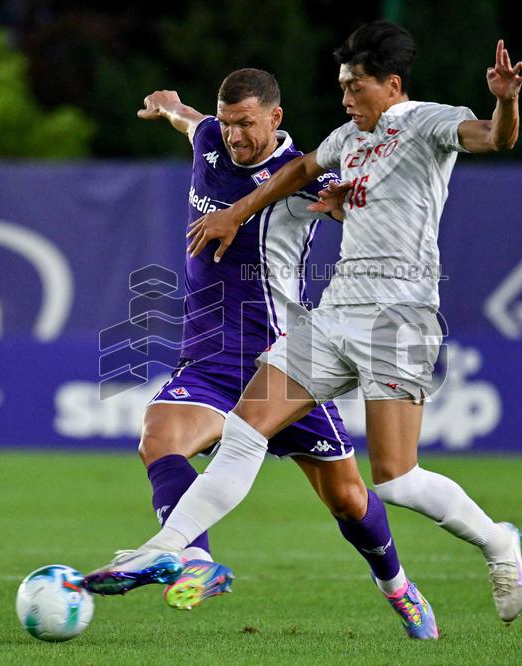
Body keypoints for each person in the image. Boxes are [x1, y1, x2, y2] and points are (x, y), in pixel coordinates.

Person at [102, 22, 522, 628]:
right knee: (246, 430)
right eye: (341, 87)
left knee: (393, 482)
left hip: (398, 318)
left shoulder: (430, 122)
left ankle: (495, 542)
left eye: (354, 87)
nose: (345, 98)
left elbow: (494, 138)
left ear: (391, 85)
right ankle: (173, 551)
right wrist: (231, 193)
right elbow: (303, 170)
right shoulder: (345, 137)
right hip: (334, 312)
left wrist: (505, 99)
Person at [84, 68, 439, 639]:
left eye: (246, 124)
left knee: (349, 500)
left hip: (279, 366)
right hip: (206, 358)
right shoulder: (210, 142)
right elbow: (190, 121)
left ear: (275, 118)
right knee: (159, 437)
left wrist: (350, 205)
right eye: (227, 124)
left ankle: (398, 586)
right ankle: (194, 561)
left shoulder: (303, 176)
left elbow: (357, 209)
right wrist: (169, 103)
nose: (234, 136)